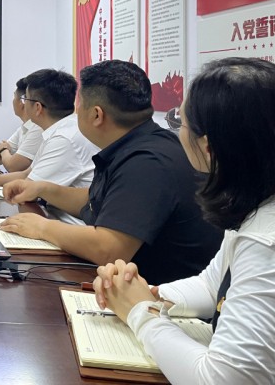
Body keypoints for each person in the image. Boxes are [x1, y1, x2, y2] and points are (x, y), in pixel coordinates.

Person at [93, 58, 275, 384]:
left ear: (209, 148)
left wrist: (141, 313)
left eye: (180, 121)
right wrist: (142, 293)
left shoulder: (265, 241)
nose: (177, 131)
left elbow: (221, 380)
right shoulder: (256, 202)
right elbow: (212, 285)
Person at [1, 60, 222, 284]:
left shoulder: (147, 162)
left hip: (160, 294)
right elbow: (97, 199)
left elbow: (108, 249)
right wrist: (42, 189)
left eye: (79, 106)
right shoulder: (138, 143)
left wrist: (42, 227)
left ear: (96, 115)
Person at [0, 68, 97, 224]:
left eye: (26, 99)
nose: (23, 104)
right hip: (54, 216)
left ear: (37, 108)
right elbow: (27, 174)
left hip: (69, 225)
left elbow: (26, 188)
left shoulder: (64, 138)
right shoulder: (58, 130)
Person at [0, 77, 42, 172]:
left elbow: (13, 166)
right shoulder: (24, 128)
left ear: (22, 102)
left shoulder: (38, 128)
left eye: (14, 97)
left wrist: (3, 150)